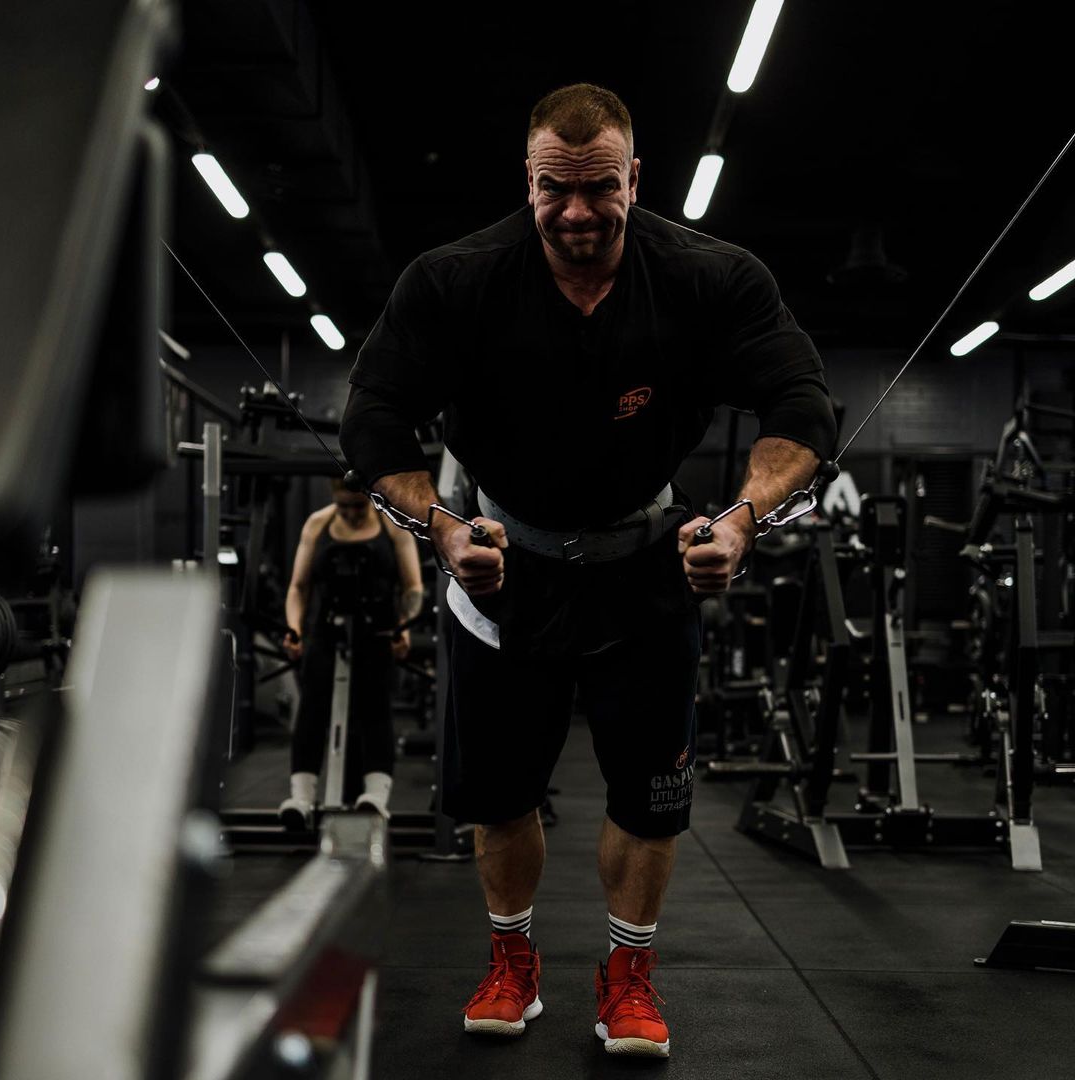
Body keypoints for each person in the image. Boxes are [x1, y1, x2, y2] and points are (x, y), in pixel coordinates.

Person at [339, 83, 836, 1058]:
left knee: (649, 799)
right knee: (501, 796)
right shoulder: (455, 280)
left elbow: (801, 402)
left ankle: (629, 976)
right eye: (553, 189)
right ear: (526, 181)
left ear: (634, 178)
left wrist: (741, 520)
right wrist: (440, 527)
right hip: (498, 566)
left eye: (600, 187)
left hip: (645, 567)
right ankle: (511, 961)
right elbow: (373, 416)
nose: (576, 212)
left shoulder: (707, 277)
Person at [278, 477, 423, 825]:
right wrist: (294, 628)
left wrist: (404, 626)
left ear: (370, 499)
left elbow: (413, 587)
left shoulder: (392, 525)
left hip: (378, 633)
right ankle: (301, 798)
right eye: (343, 507)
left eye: (358, 506)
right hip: (326, 631)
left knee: (375, 710)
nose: (351, 514)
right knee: (312, 710)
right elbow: (298, 587)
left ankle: (375, 797)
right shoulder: (318, 523)